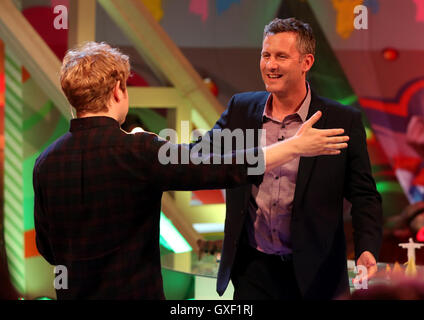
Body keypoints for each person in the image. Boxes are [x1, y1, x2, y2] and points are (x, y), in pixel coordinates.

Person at [33, 42, 348, 299]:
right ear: (118, 91)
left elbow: (48, 248)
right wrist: (294, 146)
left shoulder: (45, 162)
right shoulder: (140, 151)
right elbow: (219, 167)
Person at [202, 18, 383, 300]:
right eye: (266, 55)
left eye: (281, 57)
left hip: (316, 273)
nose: (270, 65)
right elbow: (202, 151)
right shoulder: (241, 108)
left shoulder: (341, 120)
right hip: (253, 270)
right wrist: (151, 145)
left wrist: (366, 248)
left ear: (306, 62)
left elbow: (364, 195)